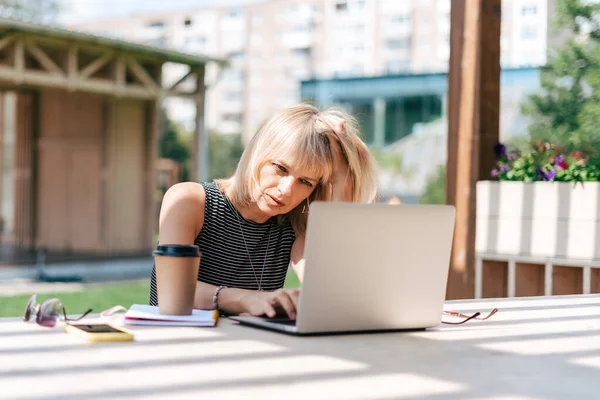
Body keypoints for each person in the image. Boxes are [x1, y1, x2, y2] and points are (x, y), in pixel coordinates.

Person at [149, 103, 378, 320]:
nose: (286, 190)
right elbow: (171, 291)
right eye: (281, 168)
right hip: (175, 348)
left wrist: (340, 179)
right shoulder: (190, 201)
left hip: (250, 354)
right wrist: (247, 299)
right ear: (259, 151)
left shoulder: (295, 226)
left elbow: (333, 292)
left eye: (306, 182)